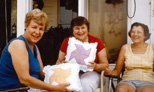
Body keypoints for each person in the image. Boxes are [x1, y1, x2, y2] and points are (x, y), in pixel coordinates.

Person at [0, 8, 71, 92]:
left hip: (31, 89)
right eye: (34, 27)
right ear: (26, 26)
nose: (37, 32)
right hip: (14, 90)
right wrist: (54, 88)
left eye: (41, 29)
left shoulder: (35, 47)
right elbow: (24, 79)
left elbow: (42, 74)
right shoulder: (18, 44)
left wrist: (60, 68)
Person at [56, 16, 109, 92]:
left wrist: (95, 66)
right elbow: (58, 62)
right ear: (72, 30)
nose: (80, 31)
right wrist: (63, 64)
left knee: (84, 83)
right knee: (67, 84)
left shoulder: (96, 41)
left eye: (83, 28)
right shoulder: (67, 41)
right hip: (71, 73)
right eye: (77, 28)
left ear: (87, 29)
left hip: (92, 73)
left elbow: (105, 64)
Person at [104, 22, 154, 92]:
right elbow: (117, 71)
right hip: (128, 81)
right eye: (132, 32)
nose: (135, 34)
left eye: (139, 32)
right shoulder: (125, 48)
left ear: (145, 35)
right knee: (121, 90)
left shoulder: (152, 48)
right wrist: (110, 72)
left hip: (147, 82)